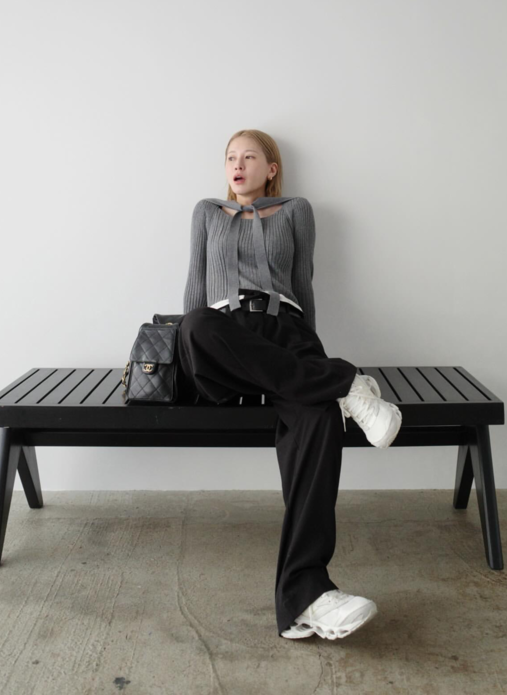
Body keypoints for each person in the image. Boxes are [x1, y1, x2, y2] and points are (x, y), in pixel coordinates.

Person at [178, 129, 402, 640]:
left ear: (271, 168)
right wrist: (183, 356)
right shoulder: (206, 212)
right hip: (223, 338)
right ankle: (346, 384)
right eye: (230, 158)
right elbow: (194, 287)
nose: (237, 165)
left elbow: (303, 286)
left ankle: (308, 597)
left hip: (285, 332)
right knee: (195, 324)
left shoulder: (296, 210)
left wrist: (307, 354)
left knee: (319, 419)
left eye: (249, 157)